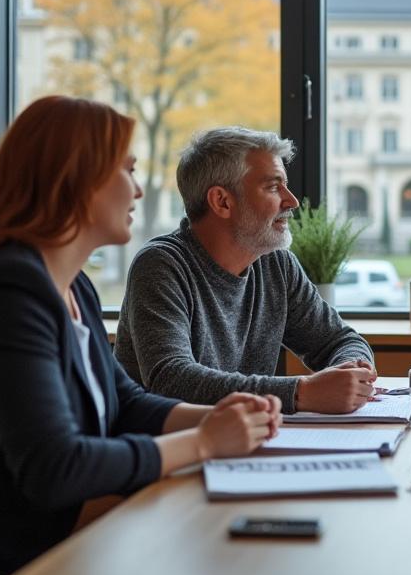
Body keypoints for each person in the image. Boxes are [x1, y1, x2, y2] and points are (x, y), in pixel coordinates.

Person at [0, 97, 280, 575]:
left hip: (45, 539)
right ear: (76, 179)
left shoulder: (73, 286)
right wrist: (202, 442)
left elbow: (123, 401)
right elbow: (56, 467)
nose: (137, 190)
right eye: (127, 170)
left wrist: (224, 418)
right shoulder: (5, 291)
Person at [116, 127, 376, 414]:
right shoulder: (161, 265)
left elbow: (339, 340)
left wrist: (355, 371)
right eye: (273, 187)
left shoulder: (276, 263)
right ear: (222, 202)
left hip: (244, 444)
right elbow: (171, 378)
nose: (292, 201)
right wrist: (300, 393)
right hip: (170, 448)